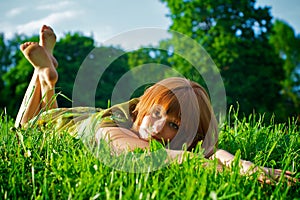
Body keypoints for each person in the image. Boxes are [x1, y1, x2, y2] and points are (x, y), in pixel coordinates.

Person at [15, 25, 295, 184]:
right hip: (67, 123)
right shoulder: (112, 128)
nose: (158, 127)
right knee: (24, 126)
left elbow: (209, 150)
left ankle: (48, 75)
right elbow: (139, 154)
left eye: (175, 125)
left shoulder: (151, 115)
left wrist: (240, 163)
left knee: (49, 102)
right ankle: (40, 75)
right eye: (158, 114)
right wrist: (194, 161)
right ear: (145, 104)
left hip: (81, 115)